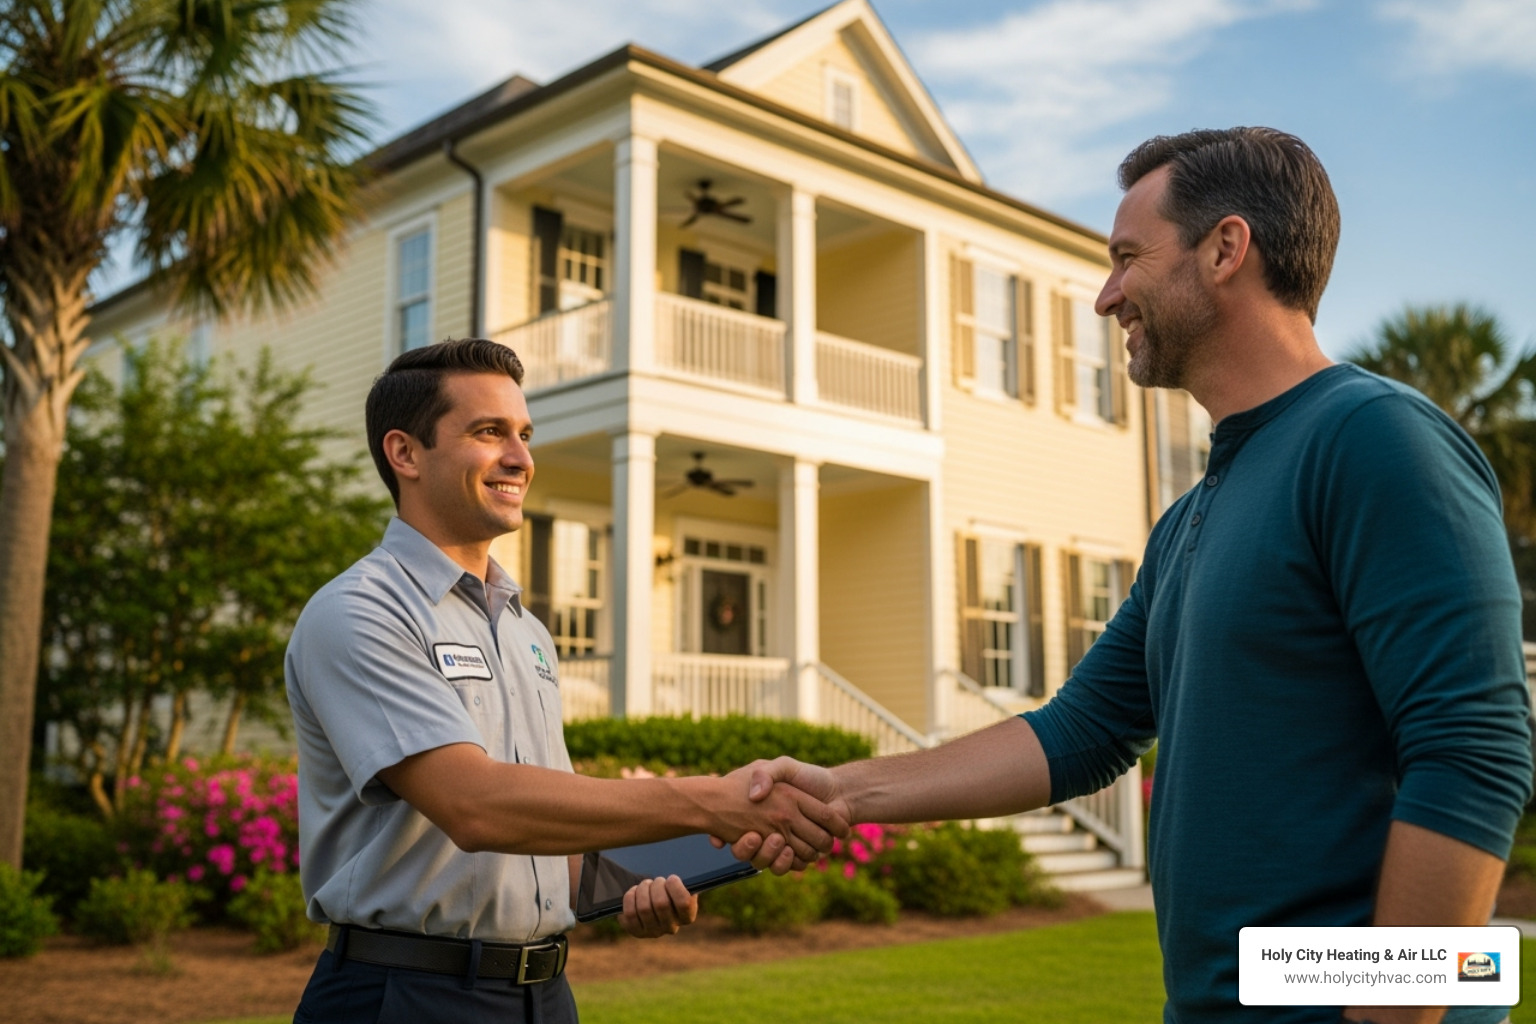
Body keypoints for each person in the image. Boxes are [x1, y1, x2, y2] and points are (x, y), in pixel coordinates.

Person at [735, 128, 1533, 1024]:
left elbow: (1473, 750)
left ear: (1226, 249)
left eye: (1126, 258)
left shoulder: (1373, 440)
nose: (1107, 295)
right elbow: (1081, 732)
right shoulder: (1192, 516)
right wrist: (841, 791)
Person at [286, 338, 846, 1024]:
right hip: (405, 995)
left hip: (545, 996)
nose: (520, 458)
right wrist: (710, 802)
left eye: (523, 434)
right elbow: (476, 805)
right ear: (404, 453)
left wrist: (643, 880)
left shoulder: (526, 630)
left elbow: (549, 845)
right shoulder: (361, 611)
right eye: (488, 433)